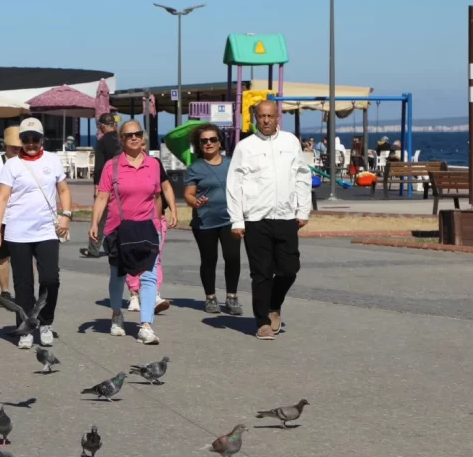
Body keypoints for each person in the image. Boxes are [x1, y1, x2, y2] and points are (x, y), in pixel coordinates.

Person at [226, 99, 311, 341]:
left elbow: (302, 176)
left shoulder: (290, 142)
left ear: (277, 117)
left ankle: (274, 304)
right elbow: (235, 185)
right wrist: (237, 220)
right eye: (261, 116)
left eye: (270, 116)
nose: (265, 120)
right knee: (261, 273)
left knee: (289, 269)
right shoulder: (245, 147)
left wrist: (303, 210)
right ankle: (262, 321)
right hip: (256, 218)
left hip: (285, 216)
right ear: (255, 117)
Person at [0, 118, 72, 348]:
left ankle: (45, 322)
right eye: (26, 139)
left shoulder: (52, 161)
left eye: (35, 138)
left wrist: (66, 215)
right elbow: (2, 198)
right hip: (18, 232)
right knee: (23, 283)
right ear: (21, 141)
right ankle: (26, 326)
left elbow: (63, 190)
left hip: (46, 230)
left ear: (41, 139)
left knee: (50, 279)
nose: (31, 143)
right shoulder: (12, 165)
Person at [89, 120, 171, 345]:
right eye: (128, 135)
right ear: (122, 140)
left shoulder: (153, 164)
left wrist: (159, 220)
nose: (133, 138)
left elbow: (156, 195)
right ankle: (116, 315)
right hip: (117, 229)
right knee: (118, 275)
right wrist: (94, 223)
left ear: (143, 138)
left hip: (146, 228)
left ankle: (146, 325)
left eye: (137, 134)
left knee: (149, 275)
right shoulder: (112, 166)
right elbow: (103, 197)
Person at [185, 123, 242, 315]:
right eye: (204, 141)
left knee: (233, 258)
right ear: (199, 145)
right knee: (209, 259)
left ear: (219, 142)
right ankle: (210, 297)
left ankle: (232, 297)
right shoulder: (195, 168)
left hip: (231, 219)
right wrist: (195, 202)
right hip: (205, 221)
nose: (209, 143)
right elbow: (188, 194)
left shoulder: (232, 164)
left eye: (213, 139)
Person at [0, 126, 20, 300]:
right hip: (1, 215)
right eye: (13, 145)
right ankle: (5, 290)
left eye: (19, 145)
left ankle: (24, 287)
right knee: (1, 255)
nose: (16, 148)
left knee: (24, 255)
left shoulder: (26, 162)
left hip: (22, 215)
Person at [82, 112, 120, 258]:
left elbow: (99, 167)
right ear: (114, 125)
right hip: (123, 181)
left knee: (100, 216)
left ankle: (93, 248)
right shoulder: (121, 139)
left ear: (102, 126)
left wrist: (96, 187)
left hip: (107, 182)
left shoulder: (102, 141)